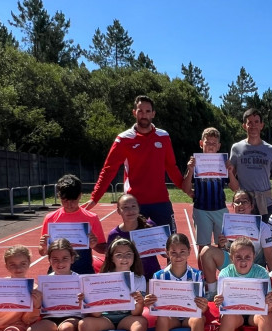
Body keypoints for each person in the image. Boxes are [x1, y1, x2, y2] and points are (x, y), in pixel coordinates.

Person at [84, 95, 185, 232]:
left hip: (161, 200)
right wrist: (95, 198)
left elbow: (171, 166)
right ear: (134, 112)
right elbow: (109, 169)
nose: (144, 115)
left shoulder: (164, 136)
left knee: (171, 245)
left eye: (148, 111)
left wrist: (185, 188)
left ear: (153, 114)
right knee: (138, 247)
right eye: (140, 111)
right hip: (135, 203)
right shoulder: (123, 139)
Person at [198, 190, 272, 299]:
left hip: (253, 263)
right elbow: (225, 250)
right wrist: (221, 245)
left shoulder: (263, 227)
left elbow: (269, 256)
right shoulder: (228, 224)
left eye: (244, 202)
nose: (241, 205)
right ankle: (213, 291)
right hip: (234, 261)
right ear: (232, 205)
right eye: (237, 202)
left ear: (251, 205)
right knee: (206, 251)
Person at [145, 233, 209, 331]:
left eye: (182, 252)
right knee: (162, 319)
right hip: (170, 316)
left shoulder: (197, 275)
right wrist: (150, 302)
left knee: (198, 320)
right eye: (173, 252)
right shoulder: (159, 276)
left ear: (189, 251)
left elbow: (202, 308)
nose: (178, 256)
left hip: (190, 316)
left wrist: (203, 305)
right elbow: (154, 306)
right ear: (167, 253)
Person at [182, 127, 240, 247]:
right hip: (201, 209)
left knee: (223, 246)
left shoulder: (223, 162)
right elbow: (186, 189)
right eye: (208, 142)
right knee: (203, 247)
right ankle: (202, 266)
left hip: (220, 208)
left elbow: (235, 188)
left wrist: (230, 171)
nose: (211, 146)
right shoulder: (195, 162)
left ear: (219, 146)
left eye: (214, 143)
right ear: (201, 143)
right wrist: (190, 170)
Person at [39, 174, 106, 275]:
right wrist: (44, 247)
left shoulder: (91, 217)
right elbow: (42, 252)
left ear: (80, 196)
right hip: (58, 271)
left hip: (84, 270)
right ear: (59, 196)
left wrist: (94, 244)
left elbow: (103, 249)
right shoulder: (51, 218)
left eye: (73, 200)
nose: (69, 204)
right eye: (65, 200)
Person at [214, 237, 272, 331]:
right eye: (238, 257)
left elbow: (269, 308)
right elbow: (221, 304)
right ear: (231, 258)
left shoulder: (261, 273)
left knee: (267, 316)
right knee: (227, 317)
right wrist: (218, 301)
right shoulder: (225, 273)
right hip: (234, 313)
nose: (243, 261)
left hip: (254, 314)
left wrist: (270, 303)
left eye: (247, 257)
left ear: (254, 257)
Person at [106, 193, 162, 281]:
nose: (130, 210)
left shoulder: (150, 226)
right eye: (125, 207)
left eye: (133, 206)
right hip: (131, 281)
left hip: (151, 276)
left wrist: (165, 247)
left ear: (138, 208)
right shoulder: (114, 235)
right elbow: (110, 262)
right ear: (118, 211)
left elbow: (164, 253)